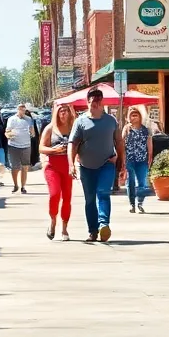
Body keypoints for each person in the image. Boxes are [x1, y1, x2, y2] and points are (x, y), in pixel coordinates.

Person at [69, 87, 124, 242]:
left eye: (97, 101)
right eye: (92, 101)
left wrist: (121, 160)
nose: (95, 104)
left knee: (103, 193)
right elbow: (72, 144)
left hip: (107, 164)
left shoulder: (111, 121)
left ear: (102, 102)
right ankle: (92, 231)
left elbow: (119, 141)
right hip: (86, 167)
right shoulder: (80, 122)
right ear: (87, 102)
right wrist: (71, 164)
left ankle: (103, 225)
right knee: (90, 199)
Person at [41, 102, 76, 240]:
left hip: (68, 167)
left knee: (67, 198)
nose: (63, 113)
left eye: (66, 111)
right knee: (54, 195)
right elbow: (41, 147)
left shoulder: (74, 128)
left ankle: (65, 228)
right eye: (61, 111)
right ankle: (53, 220)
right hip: (52, 166)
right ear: (56, 113)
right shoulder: (50, 128)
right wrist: (54, 150)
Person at [122, 105, 155, 214]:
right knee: (130, 181)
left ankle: (140, 202)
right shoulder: (126, 129)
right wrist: (122, 160)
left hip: (142, 159)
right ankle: (132, 204)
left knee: (142, 183)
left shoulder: (146, 130)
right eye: (131, 115)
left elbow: (149, 143)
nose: (133, 118)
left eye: (136, 115)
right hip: (129, 159)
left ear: (140, 117)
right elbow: (122, 145)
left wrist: (150, 156)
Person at [6, 103, 35, 194]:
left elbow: (32, 130)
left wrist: (32, 132)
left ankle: (23, 187)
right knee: (15, 167)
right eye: (21, 109)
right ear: (17, 109)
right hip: (14, 145)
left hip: (26, 145)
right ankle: (15, 185)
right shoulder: (11, 119)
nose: (22, 111)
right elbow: (7, 131)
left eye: (24, 110)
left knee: (25, 167)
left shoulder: (29, 119)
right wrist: (10, 135)